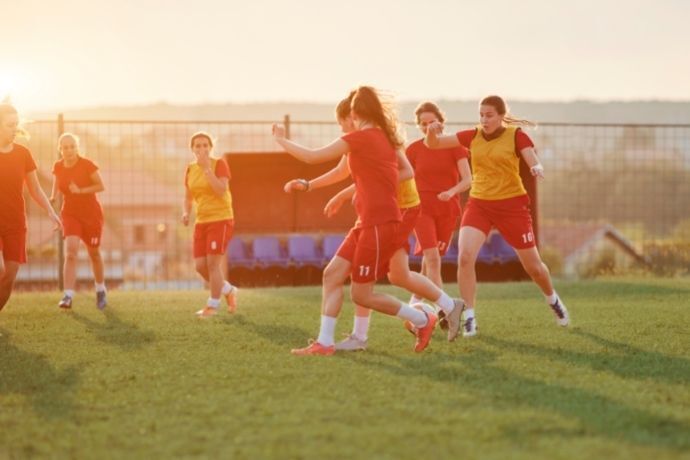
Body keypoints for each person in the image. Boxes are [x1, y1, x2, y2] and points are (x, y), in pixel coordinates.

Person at [274, 86, 464, 356]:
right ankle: (325, 343)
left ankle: (422, 319)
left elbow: (312, 156)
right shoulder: (382, 137)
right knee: (332, 274)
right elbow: (346, 170)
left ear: (353, 112)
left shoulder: (362, 138)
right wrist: (311, 186)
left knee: (362, 294)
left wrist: (281, 139)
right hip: (367, 221)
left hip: (379, 222)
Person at [425, 95, 570, 336]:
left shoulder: (516, 135)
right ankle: (469, 315)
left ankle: (552, 299)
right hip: (480, 204)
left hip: (512, 206)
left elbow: (530, 156)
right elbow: (435, 144)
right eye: (481, 115)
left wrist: (536, 166)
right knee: (464, 257)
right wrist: (431, 131)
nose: (484, 119)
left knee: (533, 267)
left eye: (489, 115)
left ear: (501, 115)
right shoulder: (471, 136)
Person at [406, 102, 472, 323]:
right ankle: (446, 310)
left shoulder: (455, 146)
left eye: (431, 122)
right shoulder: (413, 150)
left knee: (430, 258)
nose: (428, 127)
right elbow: (405, 179)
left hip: (447, 209)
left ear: (440, 122)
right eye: (423, 124)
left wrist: (450, 192)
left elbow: (467, 180)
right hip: (421, 209)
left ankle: (414, 300)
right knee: (433, 258)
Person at [0, 103, 62, 312]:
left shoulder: (23, 154)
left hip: (15, 222)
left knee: (10, 275)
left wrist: (51, 211)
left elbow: (35, 188)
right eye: (9, 125)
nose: (14, 129)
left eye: (16, 124)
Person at [182, 132, 238, 318]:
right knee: (200, 266)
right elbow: (188, 196)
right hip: (202, 221)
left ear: (210, 147)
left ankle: (212, 306)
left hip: (221, 219)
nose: (202, 149)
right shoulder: (190, 169)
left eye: (205, 145)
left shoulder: (218, 164)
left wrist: (207, 169)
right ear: (192, 149)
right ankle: (228, 290)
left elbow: (221, 190)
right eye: (197, 146)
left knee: (213, 265)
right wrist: (185, 212)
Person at [50, 133, 108, 310]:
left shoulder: (87, 165)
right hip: (70, 213)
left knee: (94, 254)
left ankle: (100, 289)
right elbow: (57, 185)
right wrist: (52, 199)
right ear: (60, 150)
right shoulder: (58, 167)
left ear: (77, 147)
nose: (69, 150)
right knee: (71, 252)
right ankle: (68, 296)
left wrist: (80, 190)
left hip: (91, 215)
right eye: (65, 147)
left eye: (72, 147)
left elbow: (101, 186)